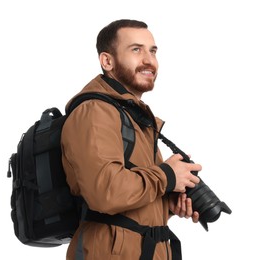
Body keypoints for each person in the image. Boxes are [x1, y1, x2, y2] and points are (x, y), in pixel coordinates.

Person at [61, 19, 202, 260]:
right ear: (107, 61)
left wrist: (166, 204)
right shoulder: (94, 111)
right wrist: (167, 176)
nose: (149, 60)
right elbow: (105, 192)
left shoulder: (133, 117)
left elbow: (130, 200)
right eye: (136, 49)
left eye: (153, 50)